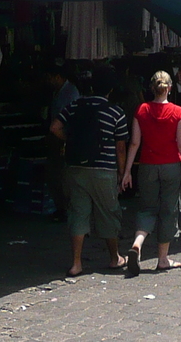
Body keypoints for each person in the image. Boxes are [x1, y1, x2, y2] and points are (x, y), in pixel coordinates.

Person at [50, 70, 130, 277]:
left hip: (75, 167)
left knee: (78, 213)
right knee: (108, 213)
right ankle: (115, 258)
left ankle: (76, 263)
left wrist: (70, 140)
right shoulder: (116, 112)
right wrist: (123, 173)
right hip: (104, 170)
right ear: (111, 90)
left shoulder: (74, 106)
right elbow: (120, 148)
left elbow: (54, 127)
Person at [119, 71, 181, 276]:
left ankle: (137, 244)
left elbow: (134, 143)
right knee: (169, 210)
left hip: (147, 166)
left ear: (152, 88)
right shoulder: (177, 112)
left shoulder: (142, 110)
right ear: (169, 88)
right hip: (171, 166)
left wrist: (127, 172)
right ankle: (162, 259)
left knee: (146, 208)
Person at [43, 62, 80, 222]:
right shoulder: (59, 92)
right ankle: (61, 207)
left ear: (58, 77)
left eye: (51, 78)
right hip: (57, 136)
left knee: (61, 174)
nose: (49, 81)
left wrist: (66, 140)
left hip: (63, 136)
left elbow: (70, 119)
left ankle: (65, 208)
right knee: (55, 173)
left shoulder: (70, 93)